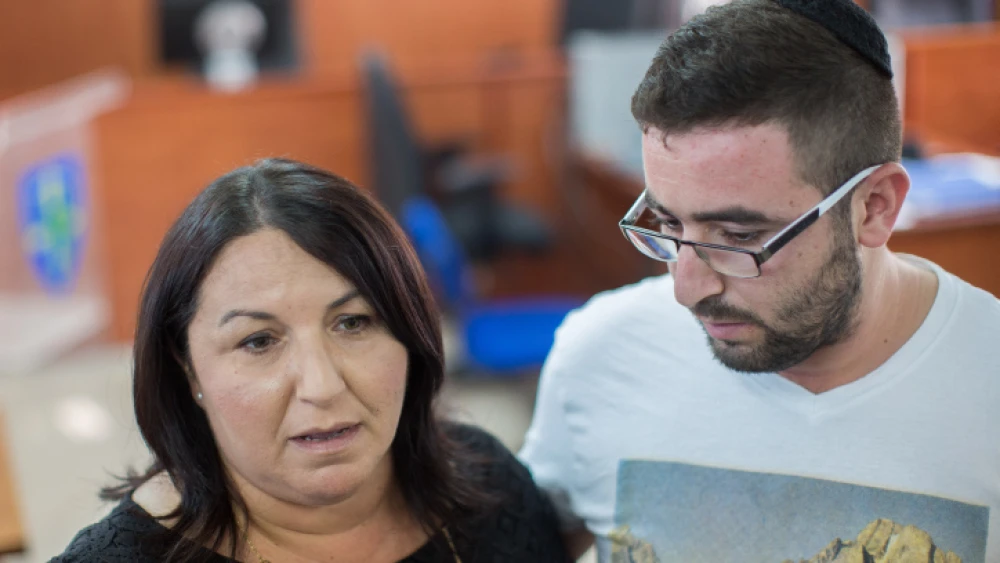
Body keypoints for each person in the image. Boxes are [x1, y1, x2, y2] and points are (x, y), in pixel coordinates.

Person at [519, 0, 1000, 561]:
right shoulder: (602, 355)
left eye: (739, 236)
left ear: (874, 208)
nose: (686, 290)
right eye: (669, 223)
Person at [52, 159, 570, 562]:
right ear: (186, 368)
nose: (321, 386)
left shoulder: (490, 489)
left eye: (353, 323)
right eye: (258, 341)